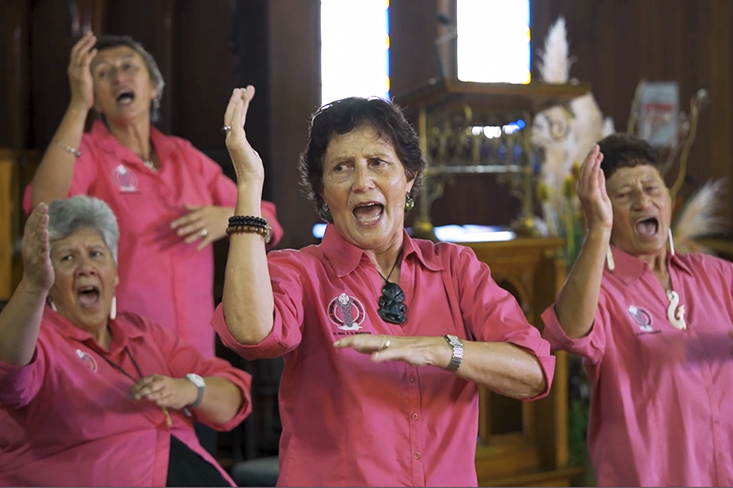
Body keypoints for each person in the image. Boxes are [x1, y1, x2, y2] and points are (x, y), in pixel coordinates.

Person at [210, 86, 556, 487]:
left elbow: (534, 371)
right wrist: (250, 184)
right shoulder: (301, 271)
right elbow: (250, 332)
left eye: (378, 162)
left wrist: (441, 349)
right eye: (342, 168)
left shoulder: (456, 268)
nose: (362, 182)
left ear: (409, 179)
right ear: (323, 193)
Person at [24, 32, 283, 360]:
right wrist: (78, 105)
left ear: (153, 87)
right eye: (103, 73)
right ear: (96, 98)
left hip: (196, 348)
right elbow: (44, 206)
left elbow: (271, 223)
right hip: (125, 347)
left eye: (129, 66)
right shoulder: (89, 152)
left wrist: (229, 219)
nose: (119, 76)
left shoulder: (185, 156)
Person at [0, 195, 253, 487]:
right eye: (67, 258)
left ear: (115, 274)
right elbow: (8, 376)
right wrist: (32, 287)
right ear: (49, 278)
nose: (86, 267)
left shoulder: (143, 333)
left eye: (96, 254)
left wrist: (188, 390)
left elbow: (234, 398)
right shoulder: (38, 338)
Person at [541, 133, 733, 487]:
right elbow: (565, 332)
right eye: (624, 195)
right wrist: (597, 227)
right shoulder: (601, 290)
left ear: (670, 200)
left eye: (652, 188)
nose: (643, 201)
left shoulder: (715, 275)